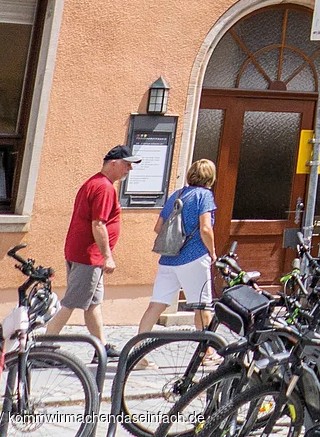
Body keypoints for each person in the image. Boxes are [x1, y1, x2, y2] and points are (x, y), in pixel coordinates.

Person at [49, 146, 131, 344]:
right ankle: (43, 345)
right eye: (127, 164)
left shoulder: (96, 182)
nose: (129, 169)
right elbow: (98, 224)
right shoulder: (104, 187)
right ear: (114, 163)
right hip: (89, 256)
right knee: (70, 303)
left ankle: (100, 348)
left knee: (93, 304)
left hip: (84, 254)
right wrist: (107, 256)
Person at [138, 159, 219, 335]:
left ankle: (137, 351)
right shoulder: (204, 196)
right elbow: (205, 228)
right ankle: (208, 352)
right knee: (202, 305)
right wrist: (212, 252)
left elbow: (158, 228)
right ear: (210, 177)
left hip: (168, 259)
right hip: (194, 256)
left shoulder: (177, 194)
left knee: (156, 305)